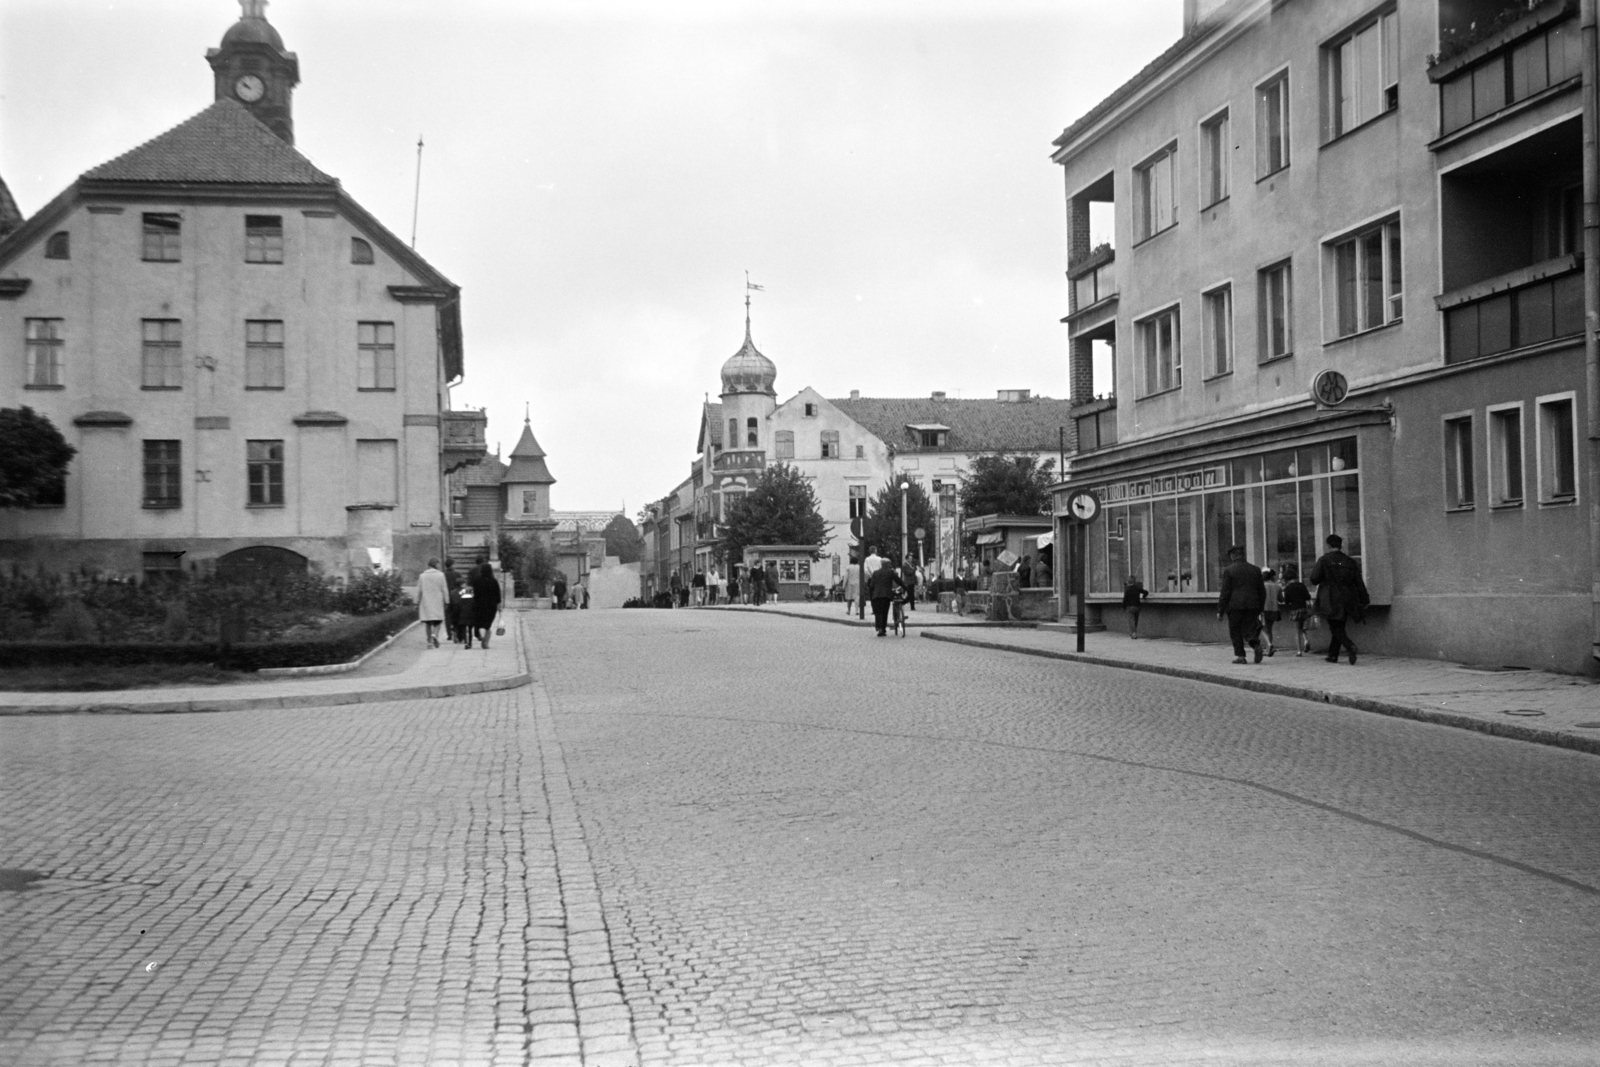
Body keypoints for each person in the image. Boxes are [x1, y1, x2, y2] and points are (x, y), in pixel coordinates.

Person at [1309, 534, 1370, 665]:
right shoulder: (1350, 561)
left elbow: (1314, 579)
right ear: (1340, 545)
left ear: (1329, 545)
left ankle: (1350, 646)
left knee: (1335, 627)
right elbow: (1359, 582)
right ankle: (1333, 655)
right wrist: (1365, 600)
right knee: (1339, 626)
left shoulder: (1324, 560)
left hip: (1330, 597)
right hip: (1348, 597)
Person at [1216, 546, 1266, 664]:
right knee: (1250, 628)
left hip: (1235, 606)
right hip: (1253, 605)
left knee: (1235, 630)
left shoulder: (1229, 570)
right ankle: (1255, 645)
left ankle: (1240, 656)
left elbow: (1225, 592)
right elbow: (1261, 591)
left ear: (1233, 556)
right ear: (1243, 555)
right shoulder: (1255, 569)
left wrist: (1220, 610)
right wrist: (1261, 607)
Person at [467, 557, 502, 649]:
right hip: (491, 606)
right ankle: (486, 642)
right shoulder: (494, 581)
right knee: (488, 624)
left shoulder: (477, 581)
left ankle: (481, 636)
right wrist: (499, 605)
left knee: (480, 623)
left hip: (479, 605)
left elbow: (473, 593)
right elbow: (498, 594)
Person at [865, 554, 902, 636]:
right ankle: (883, 629)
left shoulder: (875, 573)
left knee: (878, 612)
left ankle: (879, 628)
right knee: (884, 612)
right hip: (886, 596)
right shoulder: (891, 572)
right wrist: (905, 588)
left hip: (876, 596)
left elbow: (871, 585)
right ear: (889, 564)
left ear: (881, 564)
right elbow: (898, 581)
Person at [1280, 564, 1312, 656]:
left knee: (1297, 630)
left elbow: (1286, 601)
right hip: (1304, 609)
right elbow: (1308, 596)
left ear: (1286, 578)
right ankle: (1306, 640)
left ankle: (1299, 651)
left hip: (1295, 610)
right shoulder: (1301, 585)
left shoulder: (1287, 588)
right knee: (1303, 627)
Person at [416, 558, 448, 648]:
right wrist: (447, 601)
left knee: (428, 622)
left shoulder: (422, 576)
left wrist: (416, 602)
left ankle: (429, 642)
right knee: (438, 621)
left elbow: (419, 590)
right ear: (436, 564)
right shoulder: (441, 575)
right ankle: (435, 634)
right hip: (438, 601)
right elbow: (444, 589)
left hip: (426, 601)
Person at [1260, 568, 1282, 657]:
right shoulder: (1277, 586)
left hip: (1264, 609)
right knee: (1269, 629)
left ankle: (1268, 644)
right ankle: (1269, 649)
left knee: (1261, 628)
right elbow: (1281, 599)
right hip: (1274, 610)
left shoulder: (1262, 586)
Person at [443, 558, 466, 643]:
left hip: (447, 597)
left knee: (448, 616)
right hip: (457, 597)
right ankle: (458, 631)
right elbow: (462, 584)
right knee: (458, 615)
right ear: (452, 565)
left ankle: (449, 634)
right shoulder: (457, 574)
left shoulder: (443, 575)